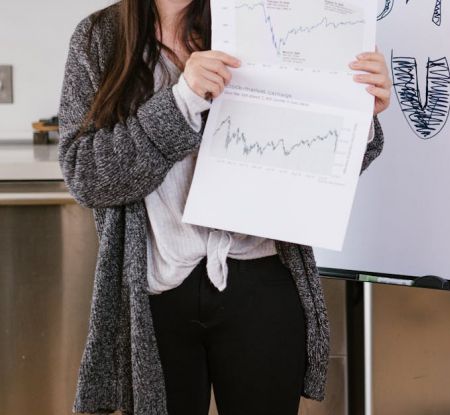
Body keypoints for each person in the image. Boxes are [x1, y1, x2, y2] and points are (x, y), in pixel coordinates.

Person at [58, 0, 390, 413]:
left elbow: (311, 157)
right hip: (155, 291)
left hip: (262, 278)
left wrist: (357, 111)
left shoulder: (261, 18)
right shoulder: (98, 40)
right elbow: (86, 176)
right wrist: (182, 100)